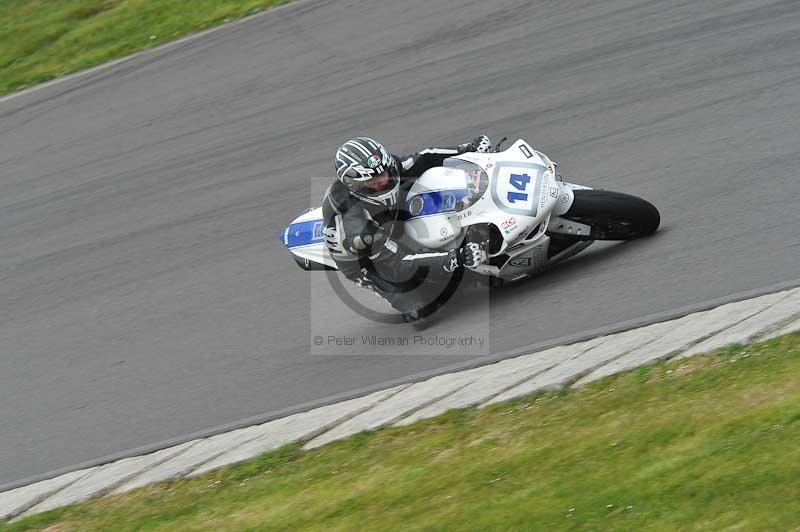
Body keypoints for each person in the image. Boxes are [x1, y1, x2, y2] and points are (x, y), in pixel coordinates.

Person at [322, 135, 492, 322]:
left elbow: (423, 158)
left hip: (388, 215)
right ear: (356, 185)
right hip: (365, 258)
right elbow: (401, 263)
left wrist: (468, 148)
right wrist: (457, 258)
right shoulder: (358, 227)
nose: (383, 181)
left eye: (384, 173)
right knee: (421, 310)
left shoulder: (387, 170)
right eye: (374, 181)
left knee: (427, 184)